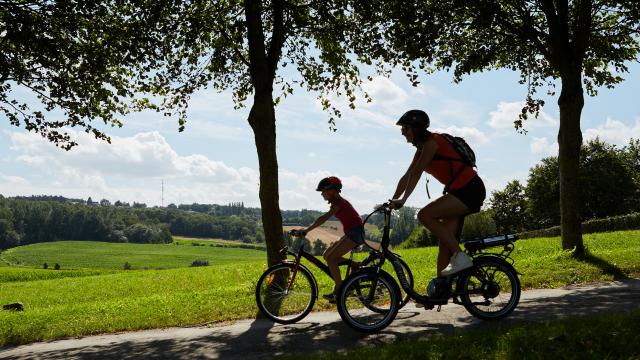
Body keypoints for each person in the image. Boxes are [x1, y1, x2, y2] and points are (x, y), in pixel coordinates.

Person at [390, 109, 486, 278]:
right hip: (459, 191)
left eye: (405, 129)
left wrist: (403, 199)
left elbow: (417, 172)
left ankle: (460, 256)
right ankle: (440, 289)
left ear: (416, 128)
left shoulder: (432, 142)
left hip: (470, 190)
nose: (402, 133)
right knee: (445, 242)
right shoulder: (421, 149)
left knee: (424, 215)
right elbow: (407, 176)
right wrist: (393, 199)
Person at [295, 176, 364, 303]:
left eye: (323, 191)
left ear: (332, 190)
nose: (321, 194)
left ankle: (341, 290)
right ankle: (355, 265)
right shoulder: (337, 202)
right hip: (351, 232)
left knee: (331, 258)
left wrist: (306, 230)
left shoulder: (339, 203)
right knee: (326, 255)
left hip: (355, 233)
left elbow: (323, 218)